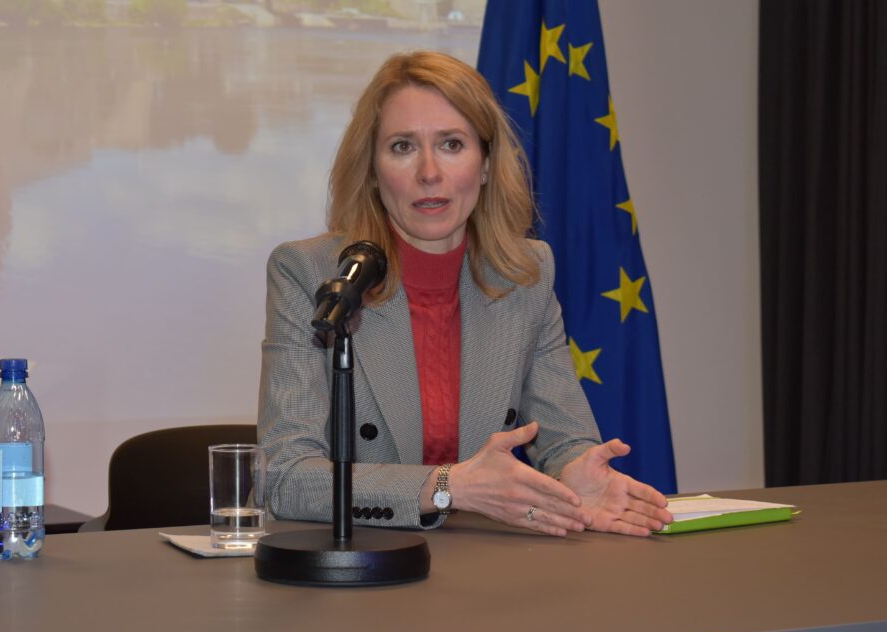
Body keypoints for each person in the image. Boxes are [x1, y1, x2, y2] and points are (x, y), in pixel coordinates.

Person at [259, 51, 673, 537]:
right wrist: (446, 486)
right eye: (402, 147)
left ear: (486, 164)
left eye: (452, 144)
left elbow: (563, 437)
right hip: (359, 559)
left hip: (479, 557)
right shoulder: (311, 273)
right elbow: (284, 476)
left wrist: (575, 473)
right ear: (372, 169)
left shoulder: (526, 274)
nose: (429, 172)